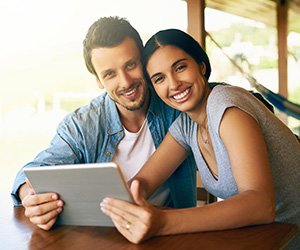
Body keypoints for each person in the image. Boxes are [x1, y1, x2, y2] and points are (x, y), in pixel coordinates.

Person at [100, 29, 300, 249]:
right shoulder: (187, 125)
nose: (174, 84)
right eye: (159, 79)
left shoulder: (227, 106)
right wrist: (116, 204)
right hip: (265, 240)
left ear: (201, 66)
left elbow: (261, 205)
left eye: (180, 68)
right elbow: (143, 183)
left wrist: (162, 221)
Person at [11, 18, 197, 230]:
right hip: (104, 236)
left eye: (130, 65)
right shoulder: (82, 124)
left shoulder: (176, 103)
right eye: (110, 74)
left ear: (143, 62)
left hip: (173, 232)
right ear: (98, 80)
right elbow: (34, 171)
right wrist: (31, 196)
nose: (125, 82)